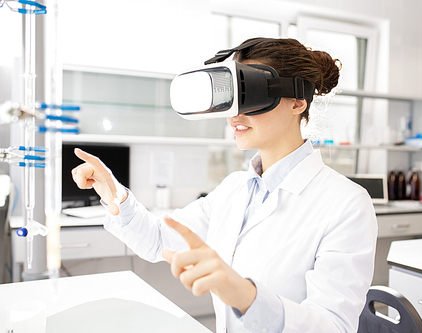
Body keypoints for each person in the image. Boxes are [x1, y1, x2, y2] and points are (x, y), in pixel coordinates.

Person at [72, 37, 377, 333]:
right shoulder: (234, 188)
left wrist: (243, 294)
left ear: (297, 102)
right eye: (232, 97)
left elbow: (334, 327)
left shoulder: (347, 204)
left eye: (251, 95)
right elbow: (158, 240)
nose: (235, 115)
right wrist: (113, 192)